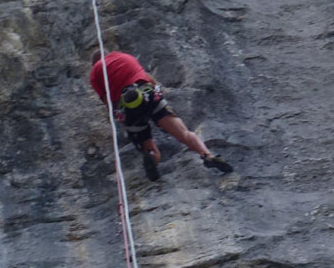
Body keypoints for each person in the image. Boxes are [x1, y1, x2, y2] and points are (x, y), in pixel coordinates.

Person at [88, 49, 233, 181]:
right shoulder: (125, 56)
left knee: (147, 144)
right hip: (148, 94)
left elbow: (108, 102)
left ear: (94, 63)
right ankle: (208, 155)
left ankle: (152, 159)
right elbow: (148, 78)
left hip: (129, 106)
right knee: (184, 133)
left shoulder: (95, 73)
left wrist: (119, 117)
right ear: (108, 53)